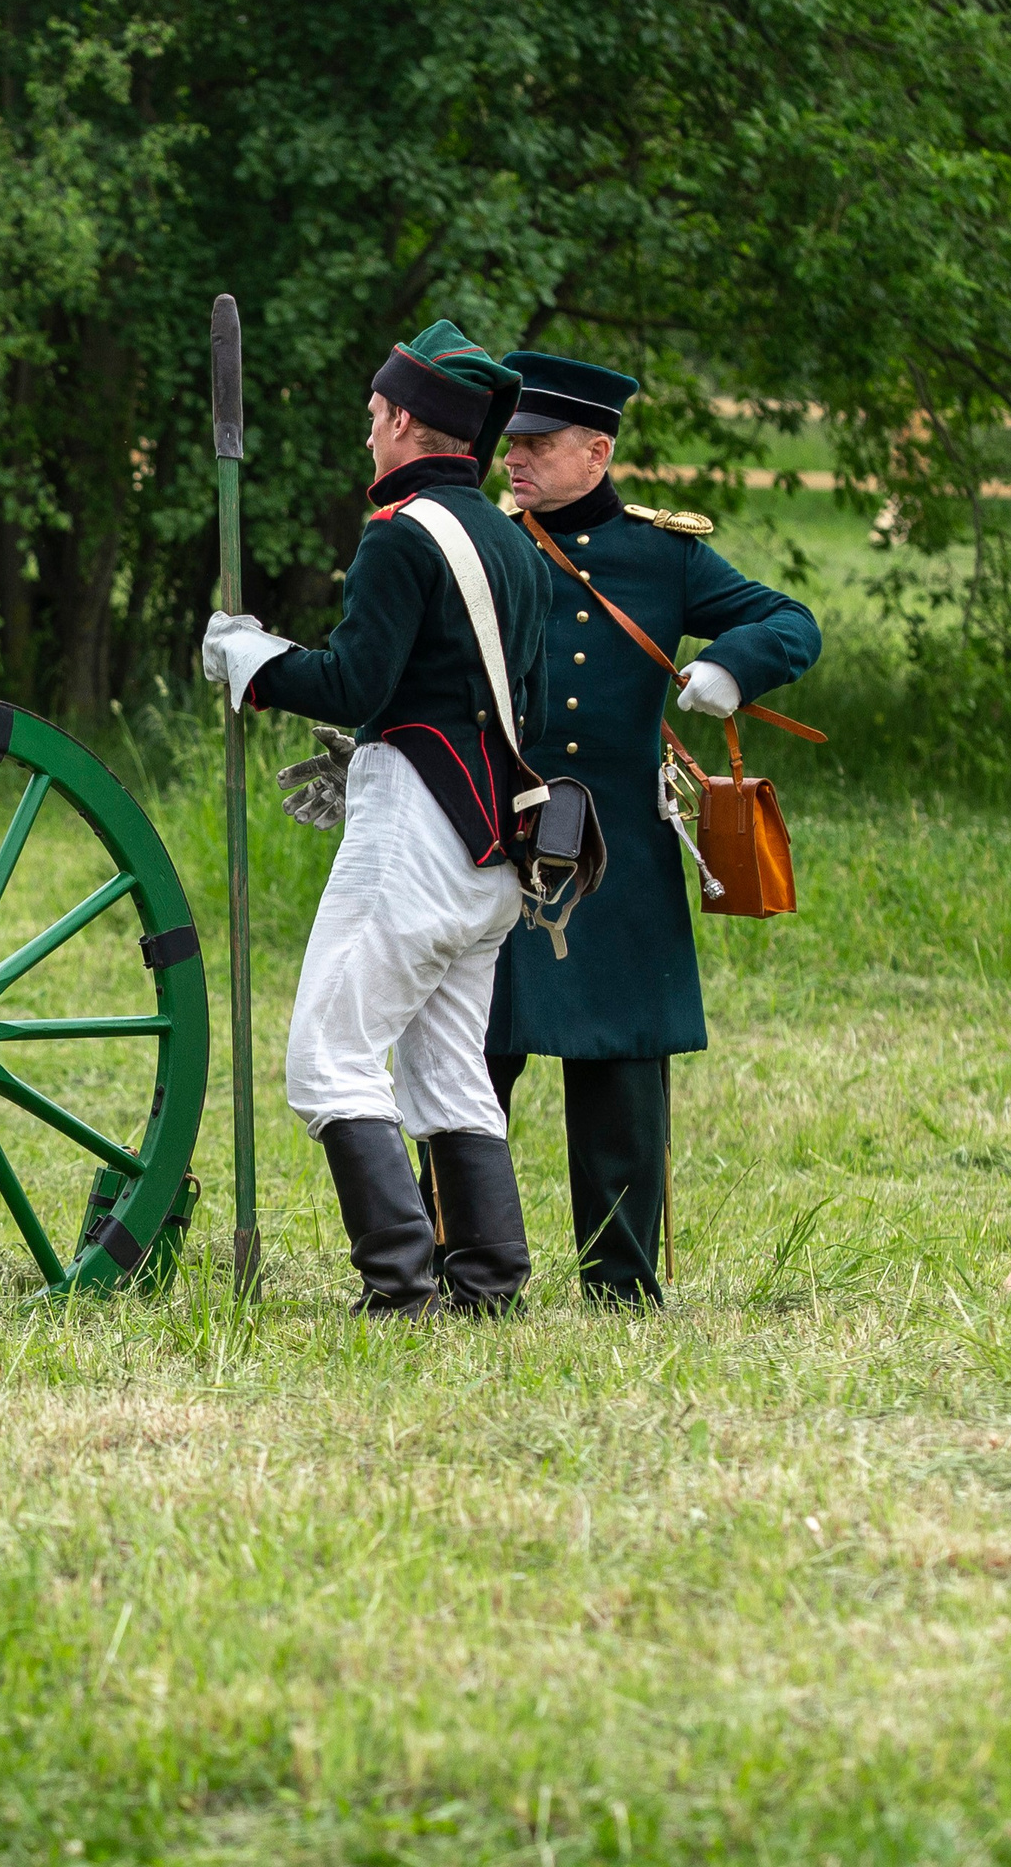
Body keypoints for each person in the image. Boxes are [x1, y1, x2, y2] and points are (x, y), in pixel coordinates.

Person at [203, 321, 550, 1317]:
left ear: (403, 417)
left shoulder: (402, 535)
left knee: (327, 1056)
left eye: (371, 418)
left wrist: (254, 661)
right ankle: (486, 1282)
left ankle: (400, 1286)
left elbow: (357, 680)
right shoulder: (509, 542)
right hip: (491, 845)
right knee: (446, 1071)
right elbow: (471, 694)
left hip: (416, 826)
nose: (366, 438)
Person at [485, 351, 821, 1304]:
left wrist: (735, 665)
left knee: (622, 1063)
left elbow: (792, 619)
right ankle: (464, 1261)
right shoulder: (493, 544)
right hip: (497, 824)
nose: (515, 461)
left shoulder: (663, 554)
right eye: (513, 444)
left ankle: (621, 1282)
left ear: (597, 452)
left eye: (538, 446)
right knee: (472, 1052)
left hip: (616, 842)